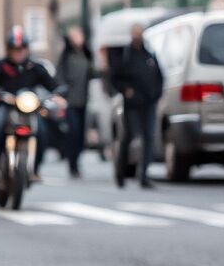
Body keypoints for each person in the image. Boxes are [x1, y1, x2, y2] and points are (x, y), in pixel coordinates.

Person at [0, 26, 61, 183]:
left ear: (26, 49)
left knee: (42, 132)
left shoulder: (35, 67)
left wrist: (58, 94)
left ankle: (35, 169)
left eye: (21, 48)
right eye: (14, 49)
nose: (18, 52)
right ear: (8, 50)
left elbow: (53, 85)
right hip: (7, 105)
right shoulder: (2, 66)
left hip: (29, 108)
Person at [109, 24, 163, 189]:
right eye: (135, 33)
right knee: (130, 137)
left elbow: (159, 76)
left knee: (148, 138)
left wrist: (156, 94)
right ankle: (120, 173)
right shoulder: (125, 55)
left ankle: (144, 175)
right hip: (132, 104)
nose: (138, 36)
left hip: (149, 102)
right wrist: (126, 90)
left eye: (140, 33)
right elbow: (115, 77)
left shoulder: (149, 54)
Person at [55, 26, 98, 178]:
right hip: (70, 100)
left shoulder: (86, 54)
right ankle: (71, 163)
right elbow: (59, 76)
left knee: (81, 134)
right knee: (73, 131)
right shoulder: (66, 55)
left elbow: (92, 73)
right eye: (75, 36)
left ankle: (76, 161)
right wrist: (62, 92)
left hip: (83, 99)